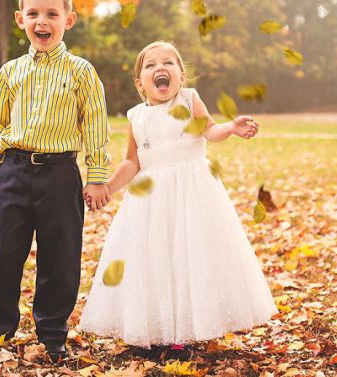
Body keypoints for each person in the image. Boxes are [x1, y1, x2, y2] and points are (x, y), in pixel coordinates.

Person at [80, 41, 277, 361]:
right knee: (153, 260)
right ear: (139, 82)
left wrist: (231, 127)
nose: (160, 68)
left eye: (169, 62)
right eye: (151, 65)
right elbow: (132, 162)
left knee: (186, 257)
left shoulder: (189, 100)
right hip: (150, 200)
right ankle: (149, 330)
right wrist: (107, 188)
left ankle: (180, 336)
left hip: (191, 194)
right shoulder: (136, 116)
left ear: (180, 75)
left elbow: (210, 131)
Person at [0, 0, 111, 362]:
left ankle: (52, 333)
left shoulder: (82, 72)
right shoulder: (10, 72)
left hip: (60, 173)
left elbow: (95, 125)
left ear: (69, 19)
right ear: (20, 19)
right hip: (14, 169)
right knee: (3, 254)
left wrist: (97, 175)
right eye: (33, 13)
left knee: (61, 256)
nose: (42, 21)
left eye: (52, 13)